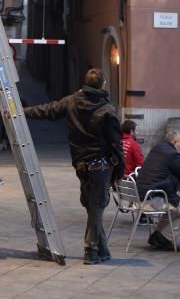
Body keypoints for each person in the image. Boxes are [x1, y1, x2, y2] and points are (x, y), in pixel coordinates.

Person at [23, 68, 124, 265]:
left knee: (92, 207)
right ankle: (91, 250)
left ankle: (102, 249)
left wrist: (21, 112)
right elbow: (116, 145)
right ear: (102, 85)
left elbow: (46, 110)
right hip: (101, 166)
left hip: (81, 165)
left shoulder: (70, 102)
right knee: (96, 207)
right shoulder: (107, 111)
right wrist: (119, 172)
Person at [136, 130, 180, 251]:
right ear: (175, 142)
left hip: (141, 195)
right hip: (153, 197)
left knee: (176, 210)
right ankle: (165, 237)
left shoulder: (158, 148)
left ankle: (157, 236)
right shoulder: (172, 154)